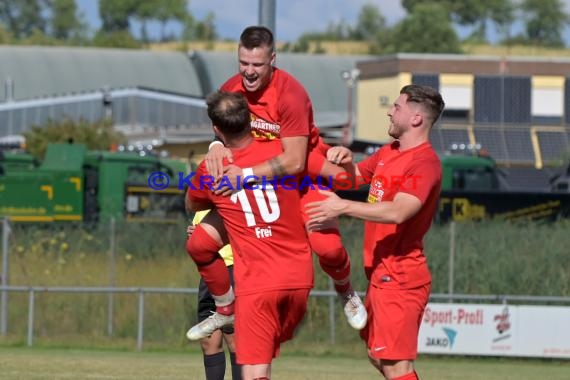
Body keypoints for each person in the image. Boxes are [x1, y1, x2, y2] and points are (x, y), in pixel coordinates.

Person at [186, 25, 366, 336]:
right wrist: (215, 146)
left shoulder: (290, 94)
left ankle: (346, 290)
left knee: (329, 250)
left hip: (297, 180)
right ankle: (225, 310)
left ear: (273, 59)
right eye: (243, 63)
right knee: (200, 244)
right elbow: (221, 127)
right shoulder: (232, 88)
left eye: (257, 64)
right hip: (256, 184)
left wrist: (244, 175)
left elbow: (295, 161)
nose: (249, 72)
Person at [306, 84, 445, 380]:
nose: (389, 111)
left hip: (401, 277)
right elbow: (351, 178)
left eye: (397, 107)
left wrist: (342, 208)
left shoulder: (425, 162)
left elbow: (398, 211)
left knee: (396, 366)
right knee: (376, 354)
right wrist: (341, 158)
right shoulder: (388, 152)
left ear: (417, 118)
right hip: (381, 274)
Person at [186, 90, 314, 380]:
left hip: (258, 280)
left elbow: (193, 202)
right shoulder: (282, 153)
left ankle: (225, 306)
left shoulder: (211, 168)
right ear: (251, 120)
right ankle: (226, 308)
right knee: (199, 244)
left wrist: (215, 154)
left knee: (255, 370)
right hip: (299, 278)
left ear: (216, 129)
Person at [188, 210, 241, 380]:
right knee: (209, 341)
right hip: (210, 275)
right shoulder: (202, 208)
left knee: (235, 339)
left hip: (235, 269)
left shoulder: (237, 198)